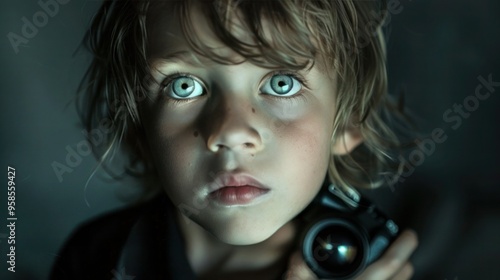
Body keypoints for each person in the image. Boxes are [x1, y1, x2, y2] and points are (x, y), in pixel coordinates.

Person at [51, 0, 418, 279]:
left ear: (346, 123)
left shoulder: (372, 268)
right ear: (138, 129)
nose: (231, 132)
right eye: (184, 86)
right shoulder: (98, 256)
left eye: (281, 83)